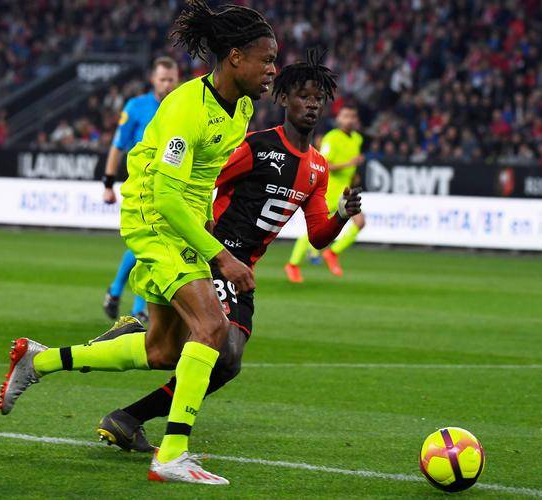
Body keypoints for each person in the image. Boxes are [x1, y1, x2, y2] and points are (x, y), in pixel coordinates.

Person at [0, 0, 277, 485]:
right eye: (266, 59)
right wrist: (221, 255)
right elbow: (165, 195)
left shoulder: (244, 108)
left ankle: (38, 360)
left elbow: (200, 180)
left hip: (183, 219)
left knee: (162, 350)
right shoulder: (186, 107)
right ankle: (172, 453)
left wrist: (208, 226)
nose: (273, 69)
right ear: (235, 57)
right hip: (154, 214)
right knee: (211, 327)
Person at [95, 49, 362, 454]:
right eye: (303, 96)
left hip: (243, 269)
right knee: (225, 352)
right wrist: (198, 232)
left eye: (318, 99)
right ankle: (156, 430)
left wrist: (341, 214)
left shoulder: (317, 169)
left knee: (217, 362)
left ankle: (130, 407)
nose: (312, 104)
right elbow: (205, 180)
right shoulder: (256, 147)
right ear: (284, 99)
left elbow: (318, 237)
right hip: (215, 255)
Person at [101, 57, 179, 325]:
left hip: (169, 184)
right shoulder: (136, 107)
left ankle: (118, 294)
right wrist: (108, 183)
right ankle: (136, 306)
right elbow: (118, 146)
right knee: (149, 242)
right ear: (153, 80)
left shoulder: (181, 106)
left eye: (171, 80)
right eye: (163, 79)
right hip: (141, 185)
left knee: (150, 243)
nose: (167, 84)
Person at [285, 104, 366, 282]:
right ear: (339, 119)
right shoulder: (332, 138)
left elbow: (350, 165)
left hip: (345, 190)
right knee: (316, 231)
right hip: (329, 190)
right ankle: (293, 264)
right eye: (346, 116)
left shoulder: (357, 138)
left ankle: (332, 253)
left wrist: (354, 175)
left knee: (360, 222)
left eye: (352, 116)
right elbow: (324, 164)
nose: (349, 120)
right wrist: (349, 164)